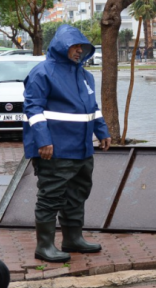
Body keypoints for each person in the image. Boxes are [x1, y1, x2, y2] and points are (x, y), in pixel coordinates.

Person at [23, 25, 111, 263]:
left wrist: (102, 131)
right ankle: (44, 246)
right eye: (74, 46)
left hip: (82, 148)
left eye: (82, 47)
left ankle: (73, 239)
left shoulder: (85, 75)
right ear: (62, 47)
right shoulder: (42, 72)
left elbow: (92, 108)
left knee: (77, 193)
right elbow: (33, 109)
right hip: (55, 149)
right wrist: (43, 140)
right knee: (51, 196)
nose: (79, 51)